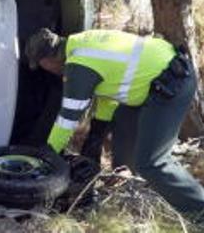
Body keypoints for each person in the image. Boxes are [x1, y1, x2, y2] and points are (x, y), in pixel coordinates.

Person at [26, 28, 204, 216]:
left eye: (40, 65)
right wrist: (97, 132)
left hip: (171, 85)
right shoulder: (79, 43)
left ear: (46, 61)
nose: (44, 70)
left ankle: (199, 210)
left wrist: (50, 152)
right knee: (124, 149)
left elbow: (67, 117)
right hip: (154, 82)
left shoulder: (78, 66)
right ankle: (137, 192)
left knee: (152, 162)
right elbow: (110, 90)